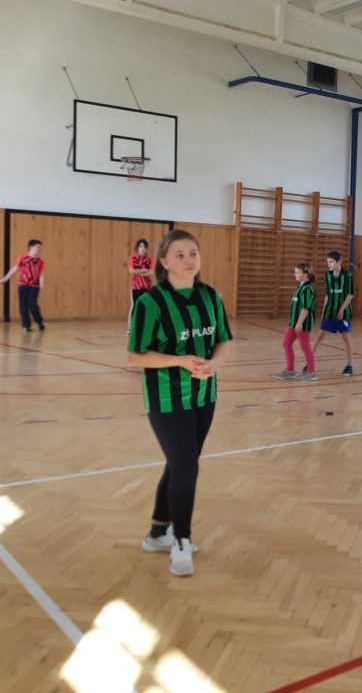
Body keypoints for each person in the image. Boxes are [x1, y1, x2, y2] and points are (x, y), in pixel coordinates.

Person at [127, 229, 233, 577]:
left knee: (180, 464)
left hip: (204, 395)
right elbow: (135, 355)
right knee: (186, 467)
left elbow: (223, 341)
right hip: (167, 398)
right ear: (164, 261)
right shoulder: (150, 303)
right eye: (180, 255)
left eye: (193, 253)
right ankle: (181, 540)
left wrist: (214, 364)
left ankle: (158, 534)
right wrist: (181, 361)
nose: (189, 260)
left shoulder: (211, 297)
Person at [310, 251, 355, 377]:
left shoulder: (347, 275)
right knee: (319, 337)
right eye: (328, 262)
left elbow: (350, 294)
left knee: (346, 338)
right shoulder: (328, 275)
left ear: (339, 262)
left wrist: (341, 310)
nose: (329, 264)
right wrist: (324, 310)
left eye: (331, 261)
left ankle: (349, 365)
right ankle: (309, 363)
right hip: (330, 311)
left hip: (344, 313)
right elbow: (327, 295)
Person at [276, 262, 317, 381]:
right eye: (295, 272)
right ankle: (290, 370)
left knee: (305, 347)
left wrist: (299, 323)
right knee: (286, 343)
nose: (295, 274)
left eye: (298, 272)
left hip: (302, 323)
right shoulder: (300, 287)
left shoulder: (307, 289)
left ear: (306, 274)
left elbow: (306, 308)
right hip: (293, 322)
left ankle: (311, 372)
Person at [0, 239, 46, 332]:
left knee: (32, 305)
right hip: (23, 285)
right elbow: (14, 269)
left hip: (34, 286)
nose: (39, 250)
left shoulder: (40, 261)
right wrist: (5, 278)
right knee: (23, 305)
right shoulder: (22, 258)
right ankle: (26, 325)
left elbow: (41, 273)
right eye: (37, 247)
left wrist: (41, 283)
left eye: (40, 248)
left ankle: (39, 321)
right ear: (31, 248)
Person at [126, 238, 154, 333]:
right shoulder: (132, 258)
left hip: (147, 286)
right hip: (135, 286)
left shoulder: (149, 259)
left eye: (144, 247)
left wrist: (138, 272)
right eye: (140, 246)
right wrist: (143, 270)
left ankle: (145, 326)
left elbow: (151, 272)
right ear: (137, 248)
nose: (142, 248)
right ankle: (131, 326)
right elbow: (131, 271)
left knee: (146, 305)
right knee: (135, 305)